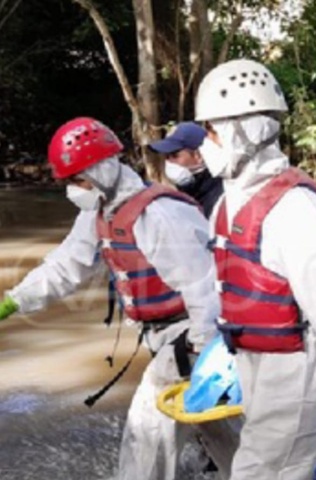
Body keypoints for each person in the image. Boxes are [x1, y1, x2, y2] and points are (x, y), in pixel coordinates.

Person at [0, 117, 237, 480]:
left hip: (188, 341)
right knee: (222, 433)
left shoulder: (160, 214)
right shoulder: (99, 212)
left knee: (146, 439)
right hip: (169, 339)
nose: (73, 189)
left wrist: (206, 358)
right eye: (69, 181)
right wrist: (14, 301)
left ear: (103, 169)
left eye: (79, 179)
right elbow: (65, 266)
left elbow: (205, 289)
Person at [193, 58, 316, 480]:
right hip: (256, 366)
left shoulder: (295, 209)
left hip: (295, 376)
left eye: (210, 130)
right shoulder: (229, 204)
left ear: (241, 131)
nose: (204, 142)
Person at [147, 121, 224, 218]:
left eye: (174, 155)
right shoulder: (187, 195)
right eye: (166, 156)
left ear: (198, 156)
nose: (169, 162)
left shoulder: (220, 199)